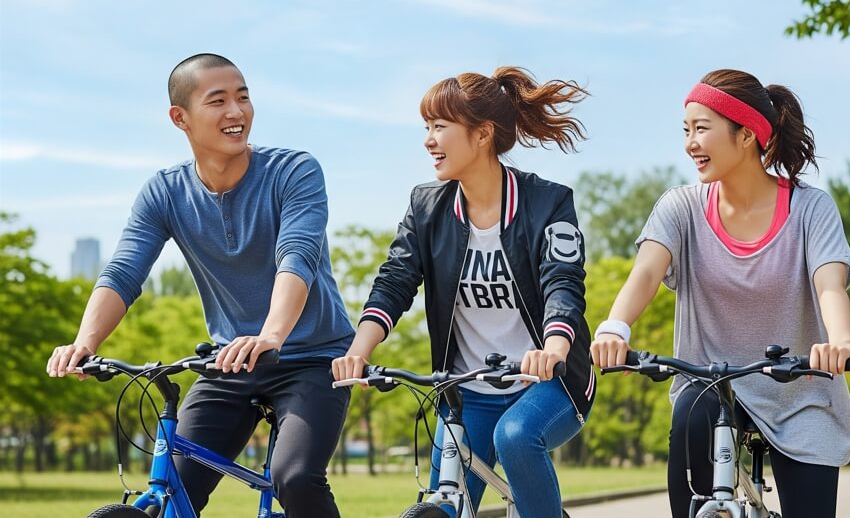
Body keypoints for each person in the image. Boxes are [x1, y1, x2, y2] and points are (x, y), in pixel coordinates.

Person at [47, 53, 354, 518]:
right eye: (219, 101)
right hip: (229, 362)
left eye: (243, 97)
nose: (237, 112)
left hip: (311, 358)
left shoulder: (294, 171)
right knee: (173, 483)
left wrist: (271, 334)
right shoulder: (165, 192)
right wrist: (84, 342)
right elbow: (125, 271)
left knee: (293, 477)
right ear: (180, 118)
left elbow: (298, 257)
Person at [590, 68, 850, 518]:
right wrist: (615, 328)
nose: (690, 142)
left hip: (800, 391)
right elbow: (646, 272)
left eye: (702, 128)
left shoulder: (812, 208)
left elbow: (829, 284)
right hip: (709, 385)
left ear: (747, 134)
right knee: (692, 415)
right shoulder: (681, 207)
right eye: (686, 130)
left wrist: (838, 341)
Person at [332, 67, 596, 518]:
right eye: (427, 127)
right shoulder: (426, 206)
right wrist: (359, 350)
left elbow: (562, 282)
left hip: (547, 383)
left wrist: (553, 346)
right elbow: (396, 279)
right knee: (446, 502)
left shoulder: (547, 202)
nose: (428, 140)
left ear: (482, 134)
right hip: (467, 390)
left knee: (515, 436)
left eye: (440, 126)